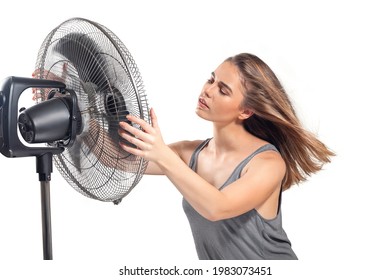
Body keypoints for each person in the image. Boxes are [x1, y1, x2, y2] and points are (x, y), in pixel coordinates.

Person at [122, 53, 334, 260]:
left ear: (246, 112)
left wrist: (163, 156)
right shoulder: (189, 153)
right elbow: (118, 162)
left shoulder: (268, 163)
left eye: (223, 90)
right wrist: (93, 113)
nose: (208, 91)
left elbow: (217, 207)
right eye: (211, 79)